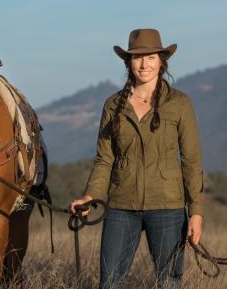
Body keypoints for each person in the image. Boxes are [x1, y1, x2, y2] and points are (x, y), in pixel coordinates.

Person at [70, 28, 204, 289]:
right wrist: (89, 197)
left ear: (162, 62)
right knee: (109, 283)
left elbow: (191, 161)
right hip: (121, 205)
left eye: (151, 57)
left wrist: (196, 212)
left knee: (169, 283)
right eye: (138, 57)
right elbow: (104, 159)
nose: (144, 64)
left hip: (168, 207)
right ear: (128, 62)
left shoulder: (180, 104)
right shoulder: (112, 105)